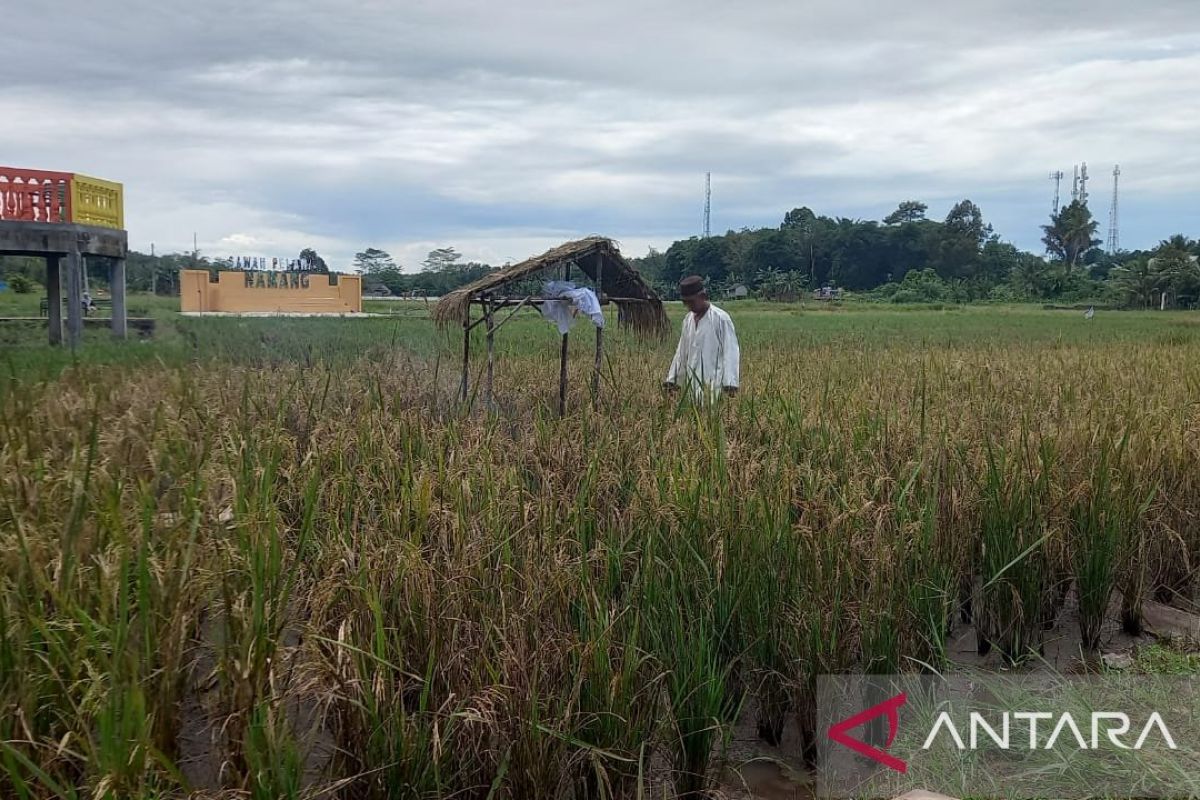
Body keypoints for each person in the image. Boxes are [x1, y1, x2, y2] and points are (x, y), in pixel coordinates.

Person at [663, 275, 740, 401]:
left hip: (714, 389)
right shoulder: (688, 320)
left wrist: (730, 386)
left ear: (703, 296)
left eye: (691, 302)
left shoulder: (720, 319)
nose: (688, 306)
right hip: (691, 390)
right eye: (685, 302)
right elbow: (681, 354)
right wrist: (673, 382)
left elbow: (730, 352)